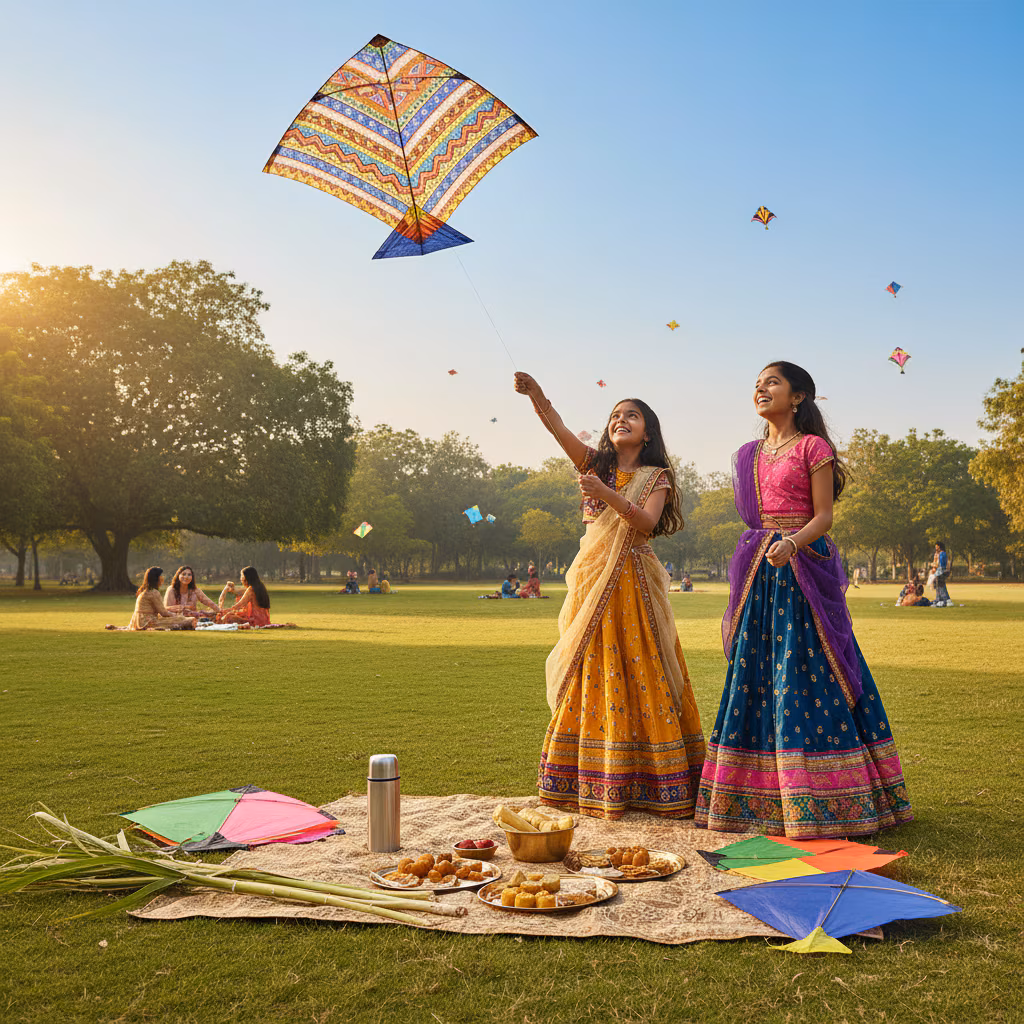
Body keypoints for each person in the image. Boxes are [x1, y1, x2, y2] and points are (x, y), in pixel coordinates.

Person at [695, 361, 912, 837]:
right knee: (755, 673)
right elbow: (756, 519)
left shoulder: (814, 447)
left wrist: (792, 543)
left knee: (804, 671)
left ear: (798, 396)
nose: (761, 389)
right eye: (757, 384)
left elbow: (823, 515)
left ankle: (828, 799)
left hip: (800, 570)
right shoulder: (748, 454)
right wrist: (771, 547)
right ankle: (753, 799)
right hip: (760, 572)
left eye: (772, 382)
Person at [514, 371, 706, 820]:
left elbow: (646, 523)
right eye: (616, 415)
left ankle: (655, 781)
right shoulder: (593, 463)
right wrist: (538, 395)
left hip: (634, 584)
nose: (621, 419)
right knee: (593, 664)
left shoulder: (655, 475)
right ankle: (588, 776)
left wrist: (605, 494)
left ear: (648, 430)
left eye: (632, 415)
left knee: (643, 664)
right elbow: (558, 429)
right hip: (592, 583)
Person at [128, 567, 195, 630]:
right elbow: (163, 613)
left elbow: (160, 610)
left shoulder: (145, 590)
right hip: (147, 622)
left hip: (139, 621)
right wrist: (175, 615)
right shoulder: (153, 592)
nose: (162, 578)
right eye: (161, 576)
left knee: (180, 619)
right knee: (188, 620)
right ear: (156, 578)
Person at [932, 542, 952, 606]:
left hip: (940, 572)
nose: (936, 548)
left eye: (937, 546)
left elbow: (940, 565)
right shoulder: (942, 554)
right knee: (940, 586)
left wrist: (933, 564)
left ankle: (942, 600)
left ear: (939, 547)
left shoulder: (941, 554)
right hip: (940, 572)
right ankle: (944, 599)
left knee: (940, 586)